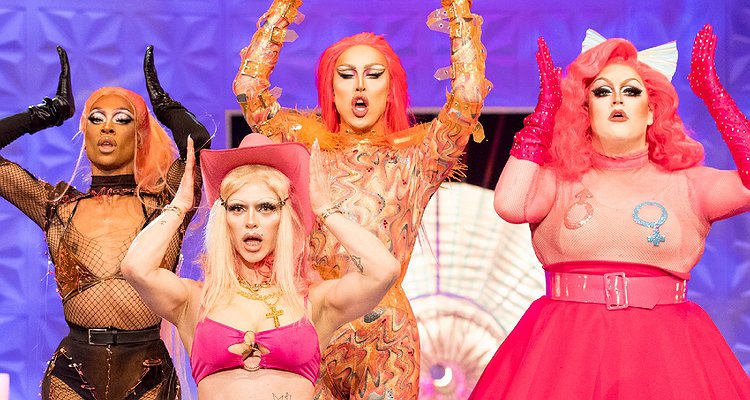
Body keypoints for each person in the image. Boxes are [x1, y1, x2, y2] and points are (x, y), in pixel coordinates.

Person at [469, 25, 750, 399]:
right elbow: (509, 205)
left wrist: (714, 95)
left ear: (651, 112)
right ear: (585, 111)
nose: (617, 99)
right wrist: (544, 113)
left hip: (665, 353)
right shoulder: (557, 179)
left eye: (631, 91)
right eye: (602, 92)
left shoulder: (689, 183)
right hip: (566, 351)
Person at [232, 0, 491, 398]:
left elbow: (468, 98)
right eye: (346, 75)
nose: (359, 86)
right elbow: (249, 90)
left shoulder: (417, 159)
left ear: (390, 90)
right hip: (312, 327)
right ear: (332, 90)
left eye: (373, 75)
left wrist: (458, 11)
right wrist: (284, 7)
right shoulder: (304, 152)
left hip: (386, 340)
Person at [120, 133, 401, 399]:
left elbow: (383, 271)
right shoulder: (194, 301)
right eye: (238, 208)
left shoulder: (315, 303)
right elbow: (135, 267)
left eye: (266, 207)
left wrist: (325, 210)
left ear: (284, 216)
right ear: (224, 219)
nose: (251, 221)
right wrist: (179, 206)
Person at [0, 46, 211, 399]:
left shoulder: (165, 205)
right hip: (73, 371)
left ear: (140, 135)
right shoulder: (56, 207)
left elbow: (199, 146)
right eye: (96, 119)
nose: (107, 127)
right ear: (85, 133)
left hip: (148, 370)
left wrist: (164, 107)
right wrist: (48, 113)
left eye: (123, 119)